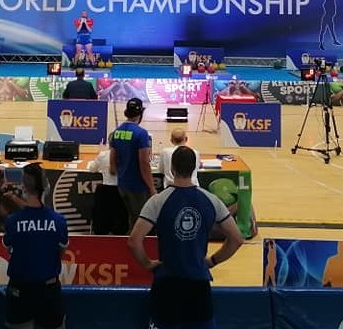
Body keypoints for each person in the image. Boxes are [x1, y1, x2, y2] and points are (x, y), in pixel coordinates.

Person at [128, 146, 245, 329]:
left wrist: (148, 264)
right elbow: (237, 239)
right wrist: (213, 260)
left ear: (171, 168)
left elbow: (134, 241)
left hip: (167, 283)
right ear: (195, 168)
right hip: (198, 284)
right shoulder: (211, 200)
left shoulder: (158, 201)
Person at [2, 163, 68, 329]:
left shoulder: (12, 221)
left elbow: (8, 249)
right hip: (48, 291)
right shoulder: (59, 221)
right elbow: (60, 252)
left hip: (20, 291)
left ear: (23, 187)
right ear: (46, 186)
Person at [110, 97, 155, 228]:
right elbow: (144, 163)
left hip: (122, 184)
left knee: (132, 219)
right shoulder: (141, 133)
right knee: (142, 222)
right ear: (140, 114)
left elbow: (112, 161)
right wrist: (152, 187)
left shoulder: (116, 132)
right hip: (137, 186)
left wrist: (118, 172)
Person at [87, 136, 129, 235]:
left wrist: (98, 155)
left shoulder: (103, 155)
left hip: (105, 192)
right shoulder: (127, 156)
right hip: (122, 193)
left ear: (109, 143)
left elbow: (92, 169)